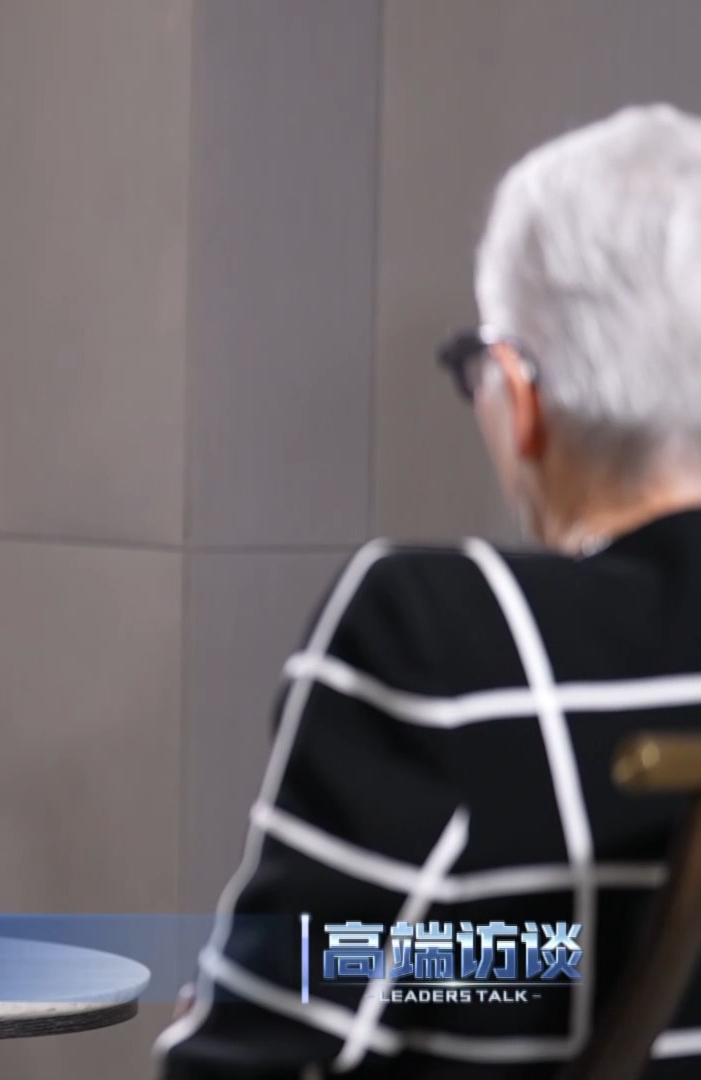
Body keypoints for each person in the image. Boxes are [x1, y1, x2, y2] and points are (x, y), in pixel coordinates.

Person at [156, 103, 701, 1078]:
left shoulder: (439, 638)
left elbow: (250, 1063)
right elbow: (541, 960)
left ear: (519, 394)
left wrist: (257, 988)